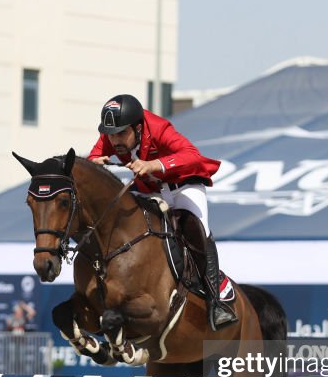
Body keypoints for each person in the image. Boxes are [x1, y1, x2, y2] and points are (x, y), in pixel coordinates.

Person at [88, 94, 237, 330]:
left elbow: (191, 154)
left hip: (184, 186)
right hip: (150, 190)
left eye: (120, 134)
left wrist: (152, 165)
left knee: (198, 230)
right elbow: (94, 156)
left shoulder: (159, 128)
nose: (114, 140)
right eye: (110, 134)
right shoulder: (112, 134)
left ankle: (216, 299)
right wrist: (95, 163)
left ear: (137, 128)